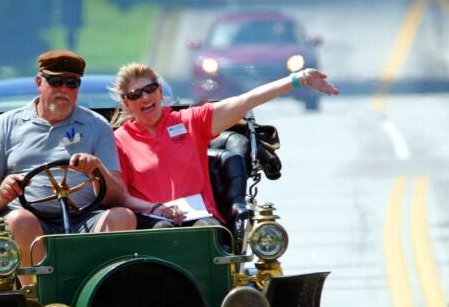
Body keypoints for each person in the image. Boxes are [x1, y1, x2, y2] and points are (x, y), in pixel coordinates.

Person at [0, 50, 136, 278]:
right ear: (39, 82)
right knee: (20, 220)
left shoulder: (97, 126)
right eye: (56, 82)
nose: (64, 90)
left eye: (72, 83)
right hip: (28, 220)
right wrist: (2, 193)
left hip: (85, 220)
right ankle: (33, 298)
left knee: (123, 216)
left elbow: (118, 196)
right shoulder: (6, 125)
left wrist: (97, 170)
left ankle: (97, 292)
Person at [111, 62, 338, 227]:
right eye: (135, 94)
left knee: (206, 231)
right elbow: (120, 196)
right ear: (126, 103)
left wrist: (297, 79)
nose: (144, 98)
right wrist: (155, 209)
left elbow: (245, 101)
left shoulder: (190, 120)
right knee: (163, 231)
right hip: (153, 220)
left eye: (150, 90)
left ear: (159, 92)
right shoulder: (119, 140)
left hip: (198, 217)